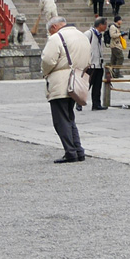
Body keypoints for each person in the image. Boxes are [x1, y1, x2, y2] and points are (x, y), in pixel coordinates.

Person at [40, 17, 90, 163]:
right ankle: (78, 150)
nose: (50, 33)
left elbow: (48, 60)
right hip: (76, 80)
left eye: (50, 30)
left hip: (60, 81)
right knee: (69, 117)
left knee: (61, 120)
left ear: (55, 26)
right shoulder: (82, 36)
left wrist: (45, 72)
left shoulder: (57, 38)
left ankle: (70, 152)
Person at [86, 18, 109, 111]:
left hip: (99, 64)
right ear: (100, 25)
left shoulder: (100, 35)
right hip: (91, 64)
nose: (106, 27)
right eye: (105, 25)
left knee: (97, 86)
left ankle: (96, 104)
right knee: (86, 85)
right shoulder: (89, 33)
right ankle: (78, 102)